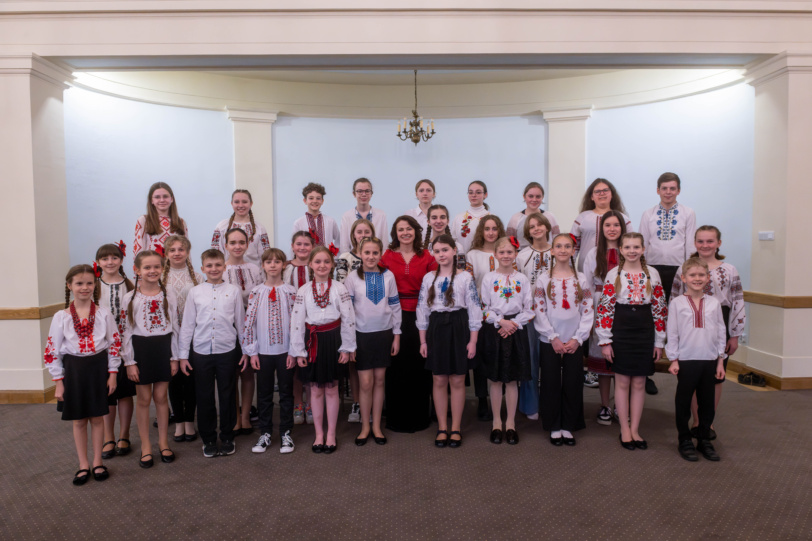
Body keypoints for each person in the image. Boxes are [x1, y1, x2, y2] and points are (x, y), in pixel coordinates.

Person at [44, 264, 121, 485]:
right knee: (79, 420)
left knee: (98, 417)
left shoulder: (104, 314)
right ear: (70, 286)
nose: (84, 287)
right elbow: (52, 351)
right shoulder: (61, 317)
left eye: (89, 283)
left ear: (95, 285)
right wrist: (58, 382)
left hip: (98, 369)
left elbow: (114, 344)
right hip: (74, 371)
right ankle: (83, 464)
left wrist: (113, 373)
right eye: (79, 283)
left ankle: (98, 461)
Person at [672, 225, 745, 440]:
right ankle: (695, 420)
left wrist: (735, 334)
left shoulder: (729, 270)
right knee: (692, 375)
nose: (705, 245)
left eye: (710, 241)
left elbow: (738, 301)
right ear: (695, 243)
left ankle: (707, 422)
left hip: (719, 320)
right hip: (689, 324)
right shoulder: (683, 268)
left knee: (715, 376)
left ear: (718, 243)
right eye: (701, 241)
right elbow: (674, 298)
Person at [595, 233, 667, 451]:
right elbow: (605, 308)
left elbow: (659, 308)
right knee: (623, 381)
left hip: (644, 331)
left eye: (637, 246)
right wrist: (605, 341)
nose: (632, 250)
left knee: (639, 383)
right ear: (621, 250)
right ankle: (624, 429)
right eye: (628, 247)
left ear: (643, 249)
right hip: (621, 330)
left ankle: (635, 429)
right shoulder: (613, 274)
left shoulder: (652, 274)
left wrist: (659, 341)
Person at [178, 249, 247, 458]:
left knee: (227, 394)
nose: (214, 269)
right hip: (201, 351)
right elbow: (188, 325)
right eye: (209, 266)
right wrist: (183, 355)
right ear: (203, 269)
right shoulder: (195, 292)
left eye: (218, 265)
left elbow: (241, 323)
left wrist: (245, 350)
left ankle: (227, 436)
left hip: (227, 349)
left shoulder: (233, 291)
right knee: (204, 396)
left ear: (224, 267)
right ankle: (208, 439)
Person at [289, 246, 357, 454]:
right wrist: (298, 350)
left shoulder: (339, 288)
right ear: (310, 265)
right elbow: (297, 321)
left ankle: (331, 434)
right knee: (315, 389)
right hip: (313, 342)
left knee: (331, 387)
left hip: (333, 341)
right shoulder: (303, 290)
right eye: (317, 262)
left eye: (326, 261)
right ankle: (319, 433)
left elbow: (348, 319)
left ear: (332, 265)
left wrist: (346, 347)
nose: (322, 265)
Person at [417, 234, 482, 448]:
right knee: (439, 379)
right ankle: (442, 427)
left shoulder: (465, 277)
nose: (441, 254)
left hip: (459, 325)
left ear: (454, 251)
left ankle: (456, 427)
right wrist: (423, 341)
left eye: (445, 249)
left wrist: (473, 341)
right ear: (432, 254)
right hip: (437, 328)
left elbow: (474, 309)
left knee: (456, 379)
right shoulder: (428, 278)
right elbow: (422, 311)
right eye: (437, 251)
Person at [121, 250, 180, 468]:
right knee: (144, 400)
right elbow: (126, 332)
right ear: (136, 270)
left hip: (163, 348)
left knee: (162, 397)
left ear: (162, 269)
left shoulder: (169, 293)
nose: (152, 271)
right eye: (147, 267)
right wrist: (130, 362)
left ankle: (163, 442)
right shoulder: (130, 297)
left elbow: (174, 327)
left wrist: (174, 357)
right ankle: (146, 445)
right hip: (141, 350)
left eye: (156, 266)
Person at [534, 234, 594, 446]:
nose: (562, 249)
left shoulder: (581, 278)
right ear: (552, 251)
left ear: (573, 251)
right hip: (550, 340)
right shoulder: (544, 278)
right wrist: (552, 337)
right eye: (558, 246)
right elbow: (539, 310)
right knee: (550, 381)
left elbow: (587, 310)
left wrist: (578, 338)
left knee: (573, 381)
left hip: (574, 340)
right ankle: (553, 424)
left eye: (567, 246)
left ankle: (569, 424)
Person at [380, 215, 437, 433]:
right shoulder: (386, 255)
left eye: (409, 228)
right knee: (395, 367)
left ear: (416, 231)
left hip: (421, 317)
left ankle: (420, 417)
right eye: (401, 229)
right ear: (395, 233)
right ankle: (395, 417)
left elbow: (435, 282)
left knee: (420, 367)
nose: (405, 232)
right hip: (394, 315)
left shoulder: (427, 256)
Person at [667, 258, 726, 462]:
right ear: (684, 278)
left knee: (706, 403)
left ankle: (703, 439)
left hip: (709, 360)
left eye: (701, 275)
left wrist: (720, 361)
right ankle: (684, 439)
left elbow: (721, 332)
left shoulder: (714, 303)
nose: (697, 278)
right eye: (692, 275)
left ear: (708, 278)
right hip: (686, 359)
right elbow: (672, 333)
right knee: (683, 402)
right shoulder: (677, 303)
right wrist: (673, 359)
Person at [345, 237, 402, 446]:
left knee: (379, 381)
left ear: (380, 254)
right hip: (362, 335)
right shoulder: (352, 278)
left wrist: (397, 335)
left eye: (375, 253)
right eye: (366, 252)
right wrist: (349, 343)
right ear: (360, 253)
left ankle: (377, 426)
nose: (370, 257)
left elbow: (395, 307)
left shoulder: (389, 276)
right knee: (365, 383)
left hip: (384, 334)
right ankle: (365, 426)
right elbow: (348, 313)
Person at [479, 236, 534, 445]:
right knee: (495, 379)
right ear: (495, 255)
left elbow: (529, 309)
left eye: (509, 252)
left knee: (511, 379)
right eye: (501, 252)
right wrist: (501, 322)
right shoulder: (488, 278)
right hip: (495, 329)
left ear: (515, 255)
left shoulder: (522, 279)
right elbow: (484, 307)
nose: (505, 256)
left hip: (516, 329)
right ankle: (496, 422)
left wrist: (513, 325)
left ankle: (510, 423)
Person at [243, 248, 297, 455]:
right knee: (264, 394)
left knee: (286, 393)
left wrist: (294, 351)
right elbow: (250, 323)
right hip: (263, 353)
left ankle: (286, 433)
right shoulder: (256, 292)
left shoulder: (291, 291)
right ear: (263, 266)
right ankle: (265, 433)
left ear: (284, 265)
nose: (273, 265)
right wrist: (252, 352)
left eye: (277, 261)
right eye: (269, 262)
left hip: (285, 351)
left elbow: (297, 324)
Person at [582, 211, 627, 425]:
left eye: (616, 224)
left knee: (621, 357)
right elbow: (588, 285)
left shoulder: (628, 250)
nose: (612, 228)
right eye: (607, 225)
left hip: (625, 306)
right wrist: (589, 314)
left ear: (622, 227)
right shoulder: (593, 253)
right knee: (603, 357)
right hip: (600, 303)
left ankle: (620, 405)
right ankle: (605, 406)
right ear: (602, 229)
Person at [94, 242, 135, 460]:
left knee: (125, 393)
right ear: (98, 262)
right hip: (103, 349)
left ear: (121, 260)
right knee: (108, 394)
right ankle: (108, 436)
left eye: (114, 258)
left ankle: (124, 434)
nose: (110, 262)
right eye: (105, 258)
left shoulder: (130, 285)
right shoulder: (94, 286)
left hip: (126, 348)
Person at [161, 235, 203, 443]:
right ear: (166, 253)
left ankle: (189, 421)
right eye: (172, 250)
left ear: (187, 252)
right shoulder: (160, 277)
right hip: (168, 336)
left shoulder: (197, 277)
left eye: (181, 249)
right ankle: (178, 421)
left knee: (190, 380)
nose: (177, 253)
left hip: (192, 335)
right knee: (174, 379)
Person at [465, 214, 506, 421]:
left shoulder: (506, 253)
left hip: (503, 314)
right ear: (481, 231)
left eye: (494, 228)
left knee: (500, 355)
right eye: (487, 229)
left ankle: (501, 400)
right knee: (481, 358)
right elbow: (469, 285)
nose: (491, 232)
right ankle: (482, 399)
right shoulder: (472, 255)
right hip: (480, 314)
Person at [222, 228, 263, 435]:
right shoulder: (220, 269)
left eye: (241, 242)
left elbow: (259, 296)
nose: (237, 246)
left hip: (251, 324)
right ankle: (235, 417)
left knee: (248, 373)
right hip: (228, 327)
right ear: (226, 245)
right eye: (233, 242)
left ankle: (246, 415)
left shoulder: (255, 269)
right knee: (233, 372)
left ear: (247, 244)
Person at [335, 218, 375, 423]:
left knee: (374, 363)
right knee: (355, 361)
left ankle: (375, 403)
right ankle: (358, 402)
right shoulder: (345, 257)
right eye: (359, 232)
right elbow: (340, 286)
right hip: (352, 315)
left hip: (374, 317)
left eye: (367, 231)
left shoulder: (377, 255)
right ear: (353, 235)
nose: (363, 235)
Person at [515, 212, 553, 421]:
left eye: (540, 225)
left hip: (554, 314)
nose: (536, 228)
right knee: (530, 358)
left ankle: (550, 402)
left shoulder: (559, 252)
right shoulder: (522, 255)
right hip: (529, 314)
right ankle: (530, 404)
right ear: (528, 232)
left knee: (550, 360)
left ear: (547, 227)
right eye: (532, 226)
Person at [638, 172, 697, 303]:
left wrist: (689, 270)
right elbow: (642, 244)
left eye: (672, 188)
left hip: (678, 267)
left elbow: (690, 244)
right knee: (654, 305)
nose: (668, 192)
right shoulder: (648, 214)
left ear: (678, 191)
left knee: (677, 304)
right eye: (664, 188)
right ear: (658, 190)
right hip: (652, 267)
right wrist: (642, 269)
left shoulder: (688, 213)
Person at [283, 230, 315, 425]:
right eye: (299, 244)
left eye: (306, 244)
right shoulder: (285, 268)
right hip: (291, 321)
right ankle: (298, 404)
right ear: (293, 246)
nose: (302, 248)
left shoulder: (315, 265)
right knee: (295, 365)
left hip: (312, 321)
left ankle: (311, 403)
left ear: (312, 247)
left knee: (310, 363)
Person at [571, 178, 633, 272]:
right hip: (586, 268)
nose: (602, 193)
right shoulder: (582, 218)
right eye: (597, 191)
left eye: (605, 190)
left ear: (612, 194)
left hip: (618, 268)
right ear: (591, 197)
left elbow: (631, 243)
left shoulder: (623, 218)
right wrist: (569, 267)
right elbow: (573, 246)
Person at [211, 189, 271, 268]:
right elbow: (216, 254)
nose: (240, 205)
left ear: (251, 204)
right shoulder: (222, 227)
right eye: (236, 202)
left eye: (244, 202)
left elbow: (265, 256)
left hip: (254, 274)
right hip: (227, 273)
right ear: (231, 204)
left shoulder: (259, 228)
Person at [133, 182, 187, 256]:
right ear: (151, 200)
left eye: (165, 196)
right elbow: (139, 250)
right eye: (157, 197)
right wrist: (139, 266)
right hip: (153, 265)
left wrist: (189, 266)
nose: (162, 200)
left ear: (171, 199)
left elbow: (186, 251)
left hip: (174, 266)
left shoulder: (180, 222)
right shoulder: (144, 220)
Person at [339, 177, 388, 254]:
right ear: (354, 194)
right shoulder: (346, 216)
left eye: (367, 191)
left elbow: (384, 244)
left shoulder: (381, 215)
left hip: (375, 259)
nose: (364, 194)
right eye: (360, 191)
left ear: (372, 193)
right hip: (353, 260)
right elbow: (344, 246)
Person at [505, 182, 560, 249]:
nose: (534, 199)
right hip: (522, 257)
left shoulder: (550, 217)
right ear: (524, 197)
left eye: (538, 196)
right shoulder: (515, 219)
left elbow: (557, 240)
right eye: (530, 196)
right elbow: (509, 242)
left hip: (547, 255)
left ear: (542, 197)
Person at [292, 182, 340, 249]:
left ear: (322, 201)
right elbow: (295, 244)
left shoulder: (330, 221)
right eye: (311, 198)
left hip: (327, 258)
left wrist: (335, 256)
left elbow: (339, 240)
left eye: (318, 198)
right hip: (307, 258)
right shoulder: (299, 223)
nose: (315, 201)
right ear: (305, 201)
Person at [451, 180, 491, 254]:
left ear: (485, 195)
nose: (474, 195)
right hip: (462, 261)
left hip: (483, 261)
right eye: (471, 192)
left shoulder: (491, 218)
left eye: (478, 192)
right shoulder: (459, 218)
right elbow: (452, 241)